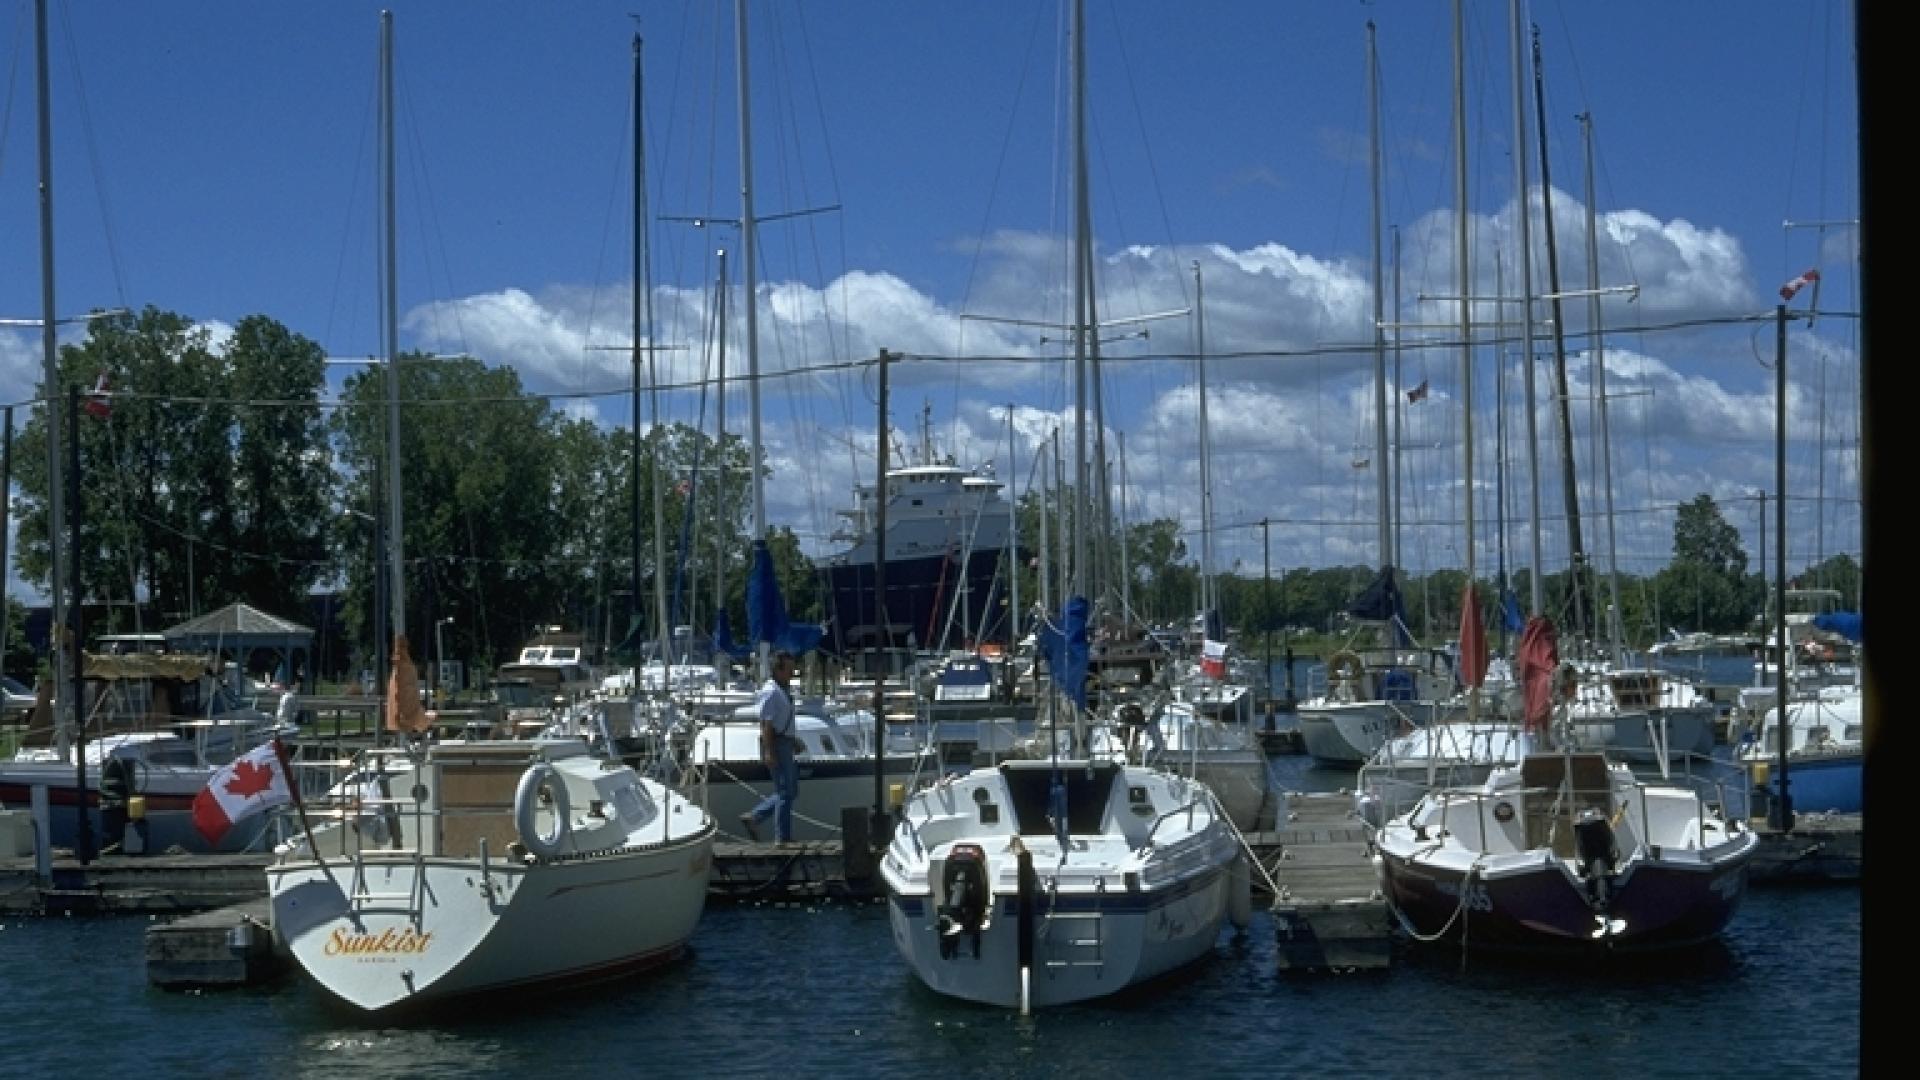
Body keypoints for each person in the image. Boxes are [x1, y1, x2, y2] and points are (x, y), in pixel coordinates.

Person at [739, 650, 799, 844]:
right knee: (784, 792)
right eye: (789, 669)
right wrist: (769, 751)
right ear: (778, 670)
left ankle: (756, 817)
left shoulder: (783, 690)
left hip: (785, 742)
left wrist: (793, 740)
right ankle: (782, 838)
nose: (793, 672)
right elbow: (766, 724)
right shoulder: (771, 691)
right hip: (776, 744)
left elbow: (783, 719)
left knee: (791, 791)